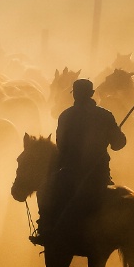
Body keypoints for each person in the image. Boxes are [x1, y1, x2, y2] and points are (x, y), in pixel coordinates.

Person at [29, 78, 126, 245]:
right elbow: (119, 144)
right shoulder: (105, 115)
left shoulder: (66, 116)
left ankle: (45, 229)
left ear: (74, 94)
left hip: (70, 172)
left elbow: (61, 145)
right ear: (92, 94)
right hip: (99, 173)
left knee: (45, 192)